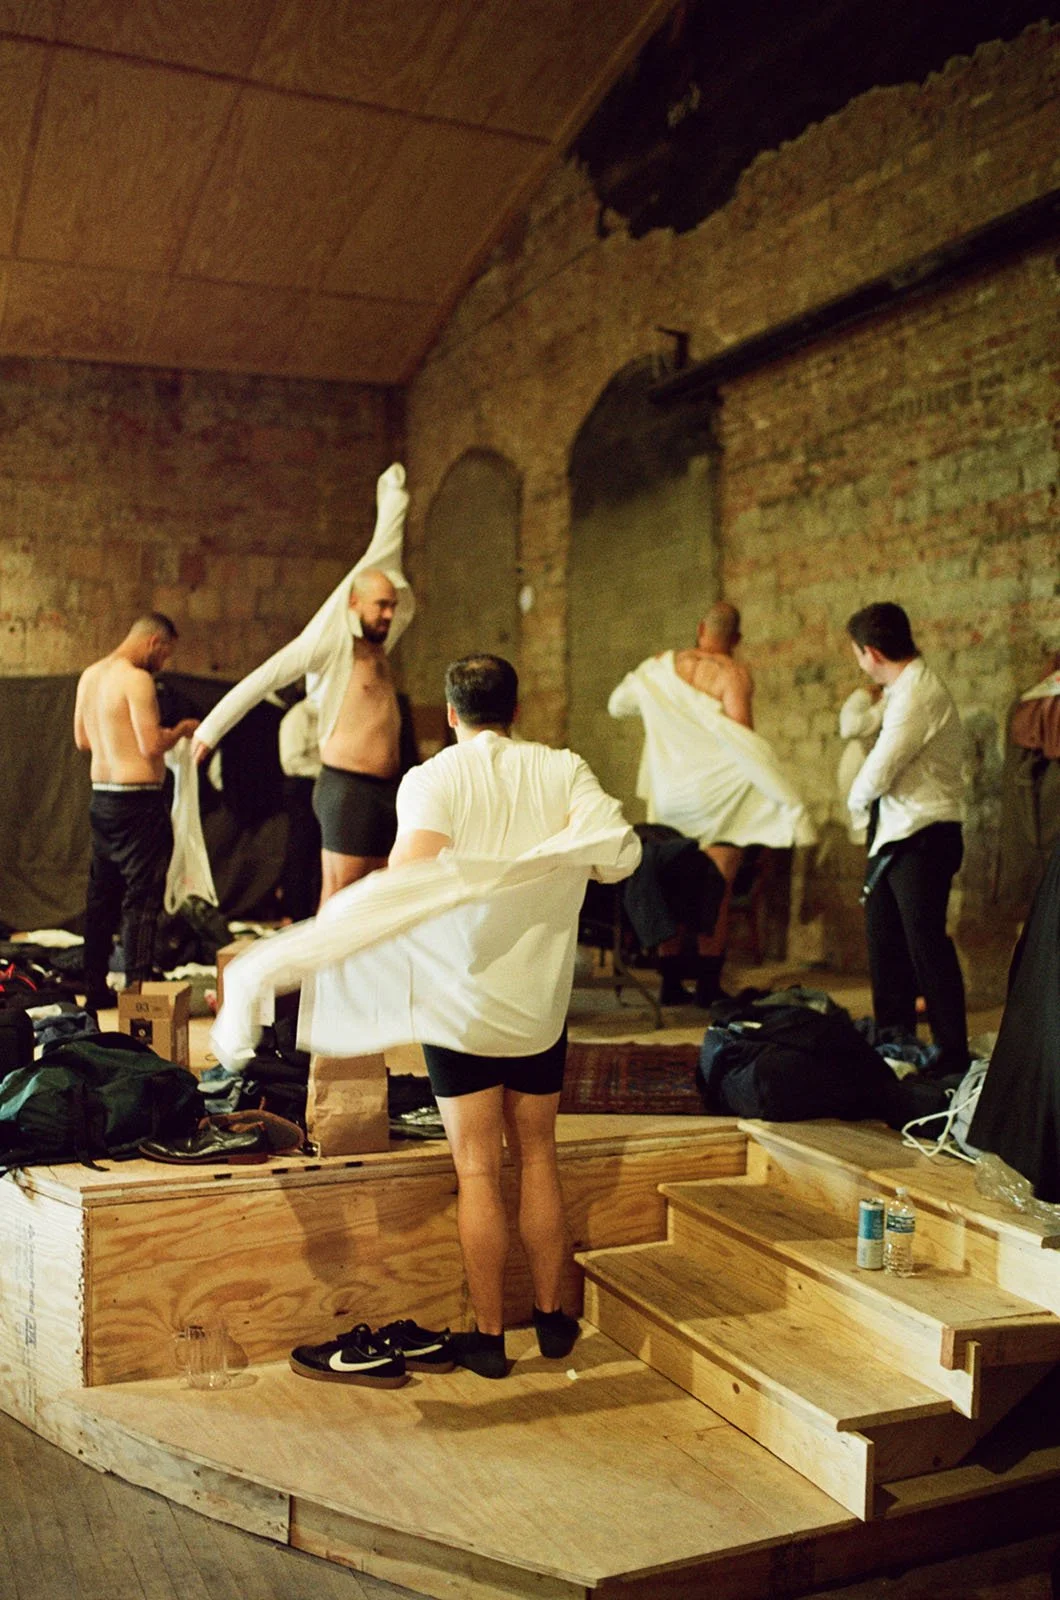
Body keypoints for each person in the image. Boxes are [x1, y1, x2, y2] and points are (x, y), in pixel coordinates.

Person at [383, 655, 640, 1376]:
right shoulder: (563, 769)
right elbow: (615, 854)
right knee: (537, 1155)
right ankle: (554, 1319)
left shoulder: (432, 779)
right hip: (538, 1008)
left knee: (477, 1170)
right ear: (516, 710)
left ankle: (491, 1337)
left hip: (460, 1006)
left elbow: (406, 877)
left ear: (451, 714)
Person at [191, 464, 412, 904]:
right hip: (347, 788)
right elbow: (263, 678)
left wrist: (394, 500)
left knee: (377, 894)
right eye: (381, 605)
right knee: (342, 893)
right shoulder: (330, 645)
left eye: (393, 605)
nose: (390, 614)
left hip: (384, 789)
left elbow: (386, 550)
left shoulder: (378, 646)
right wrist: (210, 731)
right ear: (353, 603)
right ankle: (324, 955)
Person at [609, 600, 815, 1005]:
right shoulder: (733, 674)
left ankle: (670, 985)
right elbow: (743, 741)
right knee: (715, 886)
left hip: (670, 796)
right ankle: (706, 986)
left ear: (701, 629)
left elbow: (618, 705)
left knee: (668, 879)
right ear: (736, 638)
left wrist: (654, 696)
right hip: (718, 798)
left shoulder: (657, 668)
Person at [845, 602, 968, 1078]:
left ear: (871, 653)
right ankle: (896, 1041)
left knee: (925, 945)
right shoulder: (901, 689)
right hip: (898, 835)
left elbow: (880, 768)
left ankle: (952, 1050)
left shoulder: (917, 692)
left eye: (857, 653)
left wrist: (855, 805)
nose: (859, 662)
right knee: (886, 942)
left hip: (923, 834)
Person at [74, 613, 200, 1011]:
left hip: (102, 799)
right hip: (138, 801)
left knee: (101, 896)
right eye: (165, 654)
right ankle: (138, 993)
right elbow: (150, 744)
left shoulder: (91, 676)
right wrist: (180, 731)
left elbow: (82, 740)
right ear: (153, 643)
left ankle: (94, 988)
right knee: (142, 899)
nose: (164, 663)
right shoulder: (137, 679)